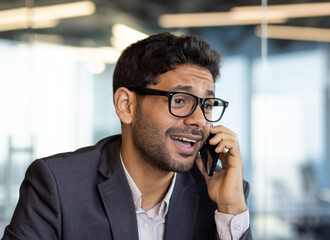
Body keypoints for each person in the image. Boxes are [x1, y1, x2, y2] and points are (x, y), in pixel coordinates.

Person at [2, 32, 252, 240]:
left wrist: (231, 210)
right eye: (179, 100)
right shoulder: (58, 185)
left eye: (207, 105)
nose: (199, 120)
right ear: (126, 106)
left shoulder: (221, 195)